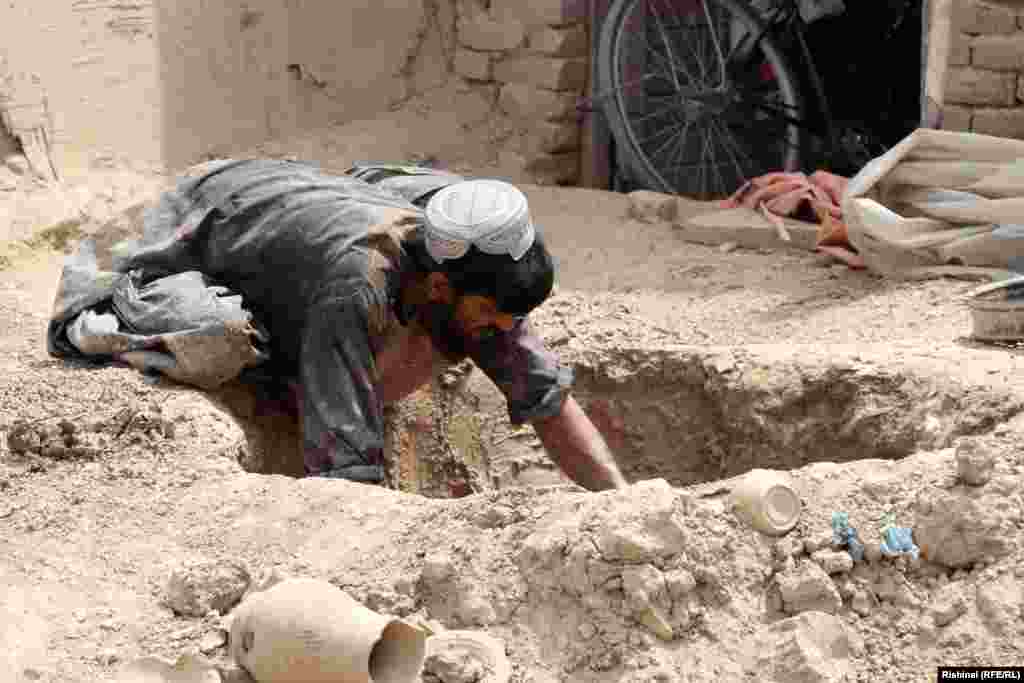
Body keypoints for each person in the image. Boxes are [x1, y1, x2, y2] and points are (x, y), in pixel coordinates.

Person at [46, 159, 628, 492]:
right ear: (439, 287)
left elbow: (547, 399)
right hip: (167, 236)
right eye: (492, 315)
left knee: (433, 330)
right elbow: (347, 477)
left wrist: (619, 502)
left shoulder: (473, 261)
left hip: (283, 202)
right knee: (222, 336)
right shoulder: (354, 287)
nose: (503, 330)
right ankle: (109, 327)